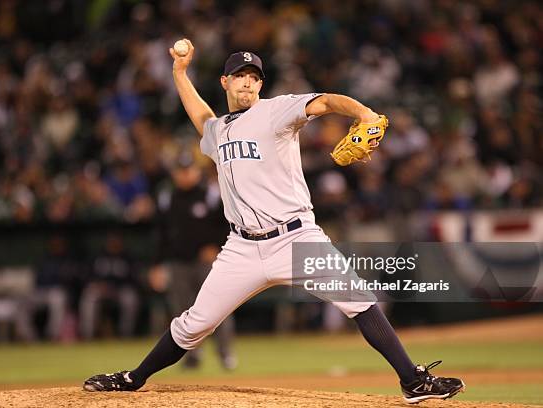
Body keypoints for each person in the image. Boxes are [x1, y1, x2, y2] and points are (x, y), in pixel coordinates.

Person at [83, 40, 465, 403]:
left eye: (254, 76)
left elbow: (328, 100)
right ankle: (133, 379)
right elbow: (201, 116)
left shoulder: (277, 110)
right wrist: (180, 72)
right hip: (242, 248)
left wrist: (363, 113)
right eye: (240, 75)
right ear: (225, 81)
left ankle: (413, 382)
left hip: (295, 239)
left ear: (260, 84)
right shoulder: (218, 132)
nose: (247, 81)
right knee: (194, 324)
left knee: (359, 299)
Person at [149, 152, 236, 370]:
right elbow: (160, 234)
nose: (185, 175)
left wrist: (216, 246)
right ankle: (191, 356)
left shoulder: (211, 195)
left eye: (189, 170)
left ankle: (225, 354)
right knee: (182, 312)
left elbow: (229, 223)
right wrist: (157, 264)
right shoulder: (167, 197)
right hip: (177, 263)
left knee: (218, 309)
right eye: (181, 171)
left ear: (196, 171)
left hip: (207, 263)